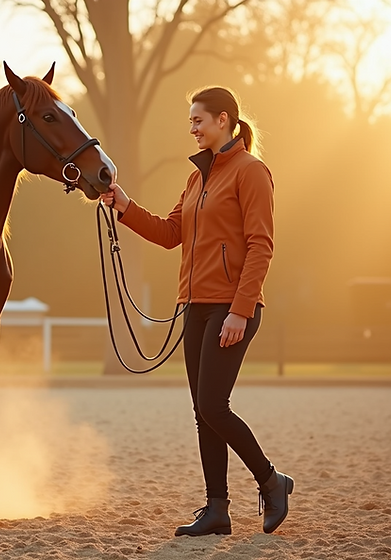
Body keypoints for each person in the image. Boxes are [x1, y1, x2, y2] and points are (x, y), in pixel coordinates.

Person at [100, 86, 293, 536]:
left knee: (212, 404)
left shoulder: (251, 172)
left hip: (231, 308)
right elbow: (170, 233)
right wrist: (124, 206)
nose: (191, 128)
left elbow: (261, 246)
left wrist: (240, 311)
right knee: (202, 410)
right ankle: (217, 509)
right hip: (196, 307)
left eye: (198, 121)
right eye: (190, 121)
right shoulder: (197, 178)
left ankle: (271, 480)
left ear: (223, 120)